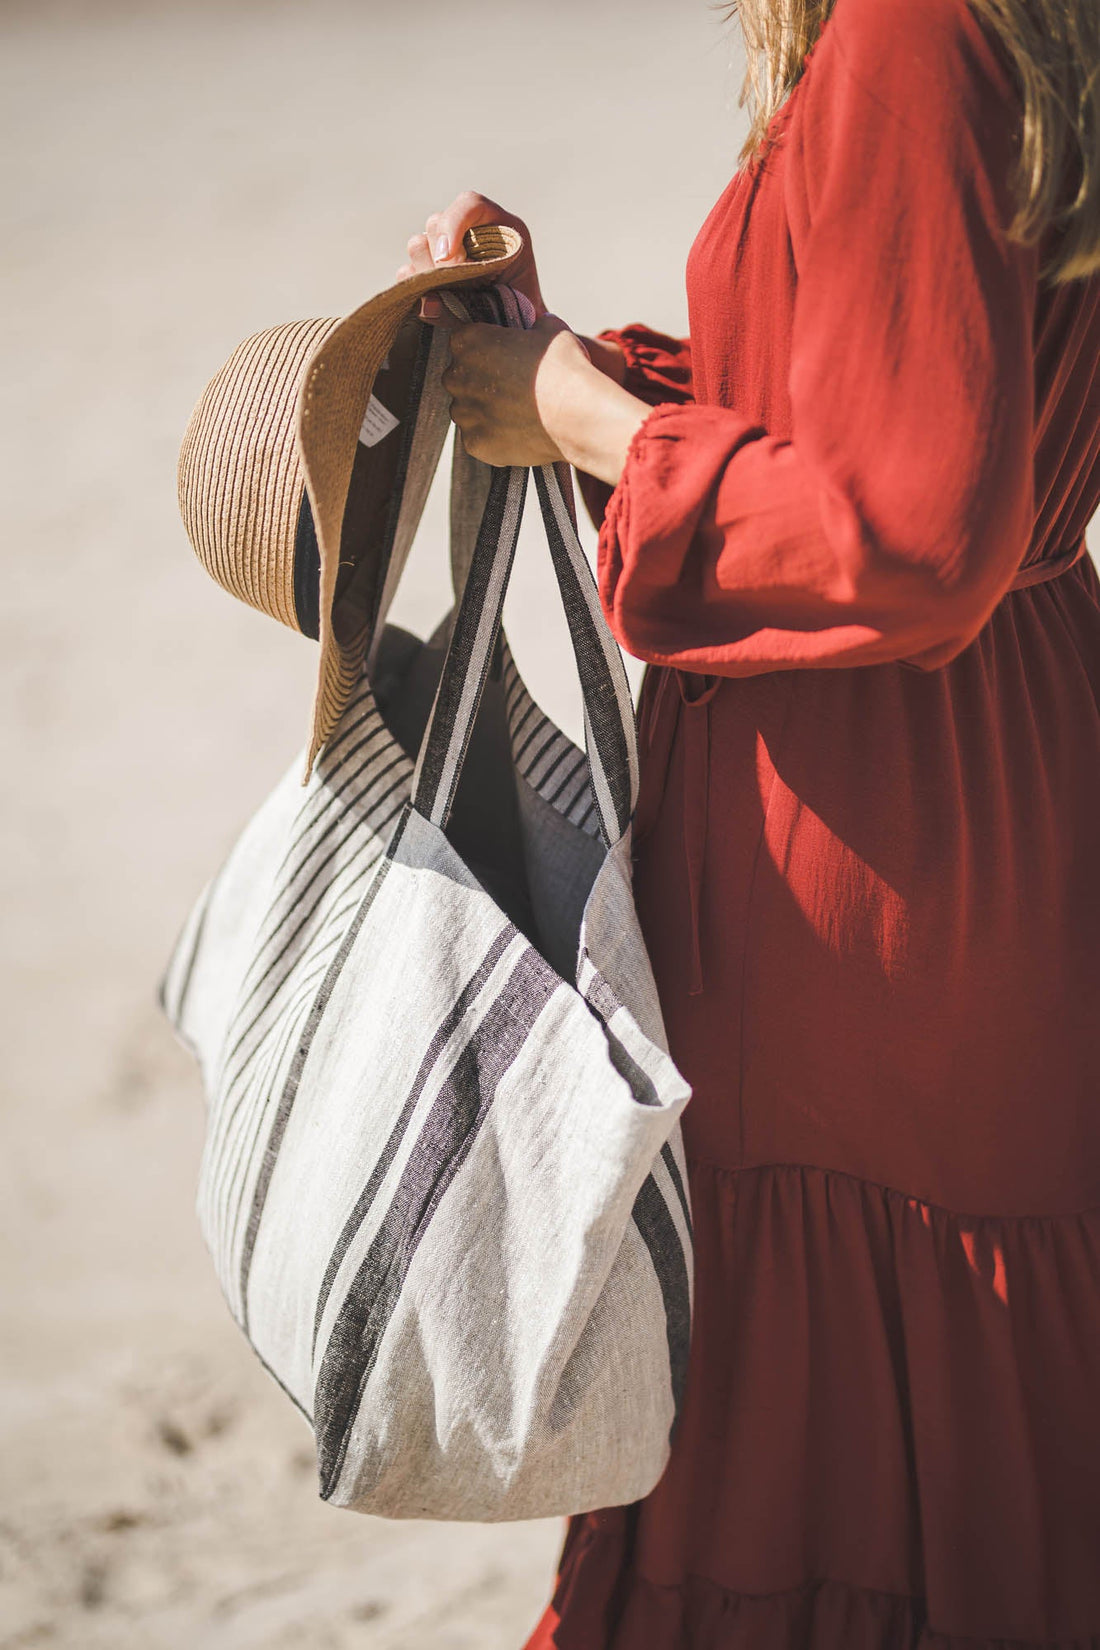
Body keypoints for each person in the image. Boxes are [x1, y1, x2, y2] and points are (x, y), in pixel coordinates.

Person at [395, 0, 1100, 1641]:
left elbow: (911, 530)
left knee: (810, 1424)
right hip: (999, 774)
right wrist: (572, 367)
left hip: (867, 818)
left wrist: (583, 420)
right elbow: (922, 404)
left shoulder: (915, 23)